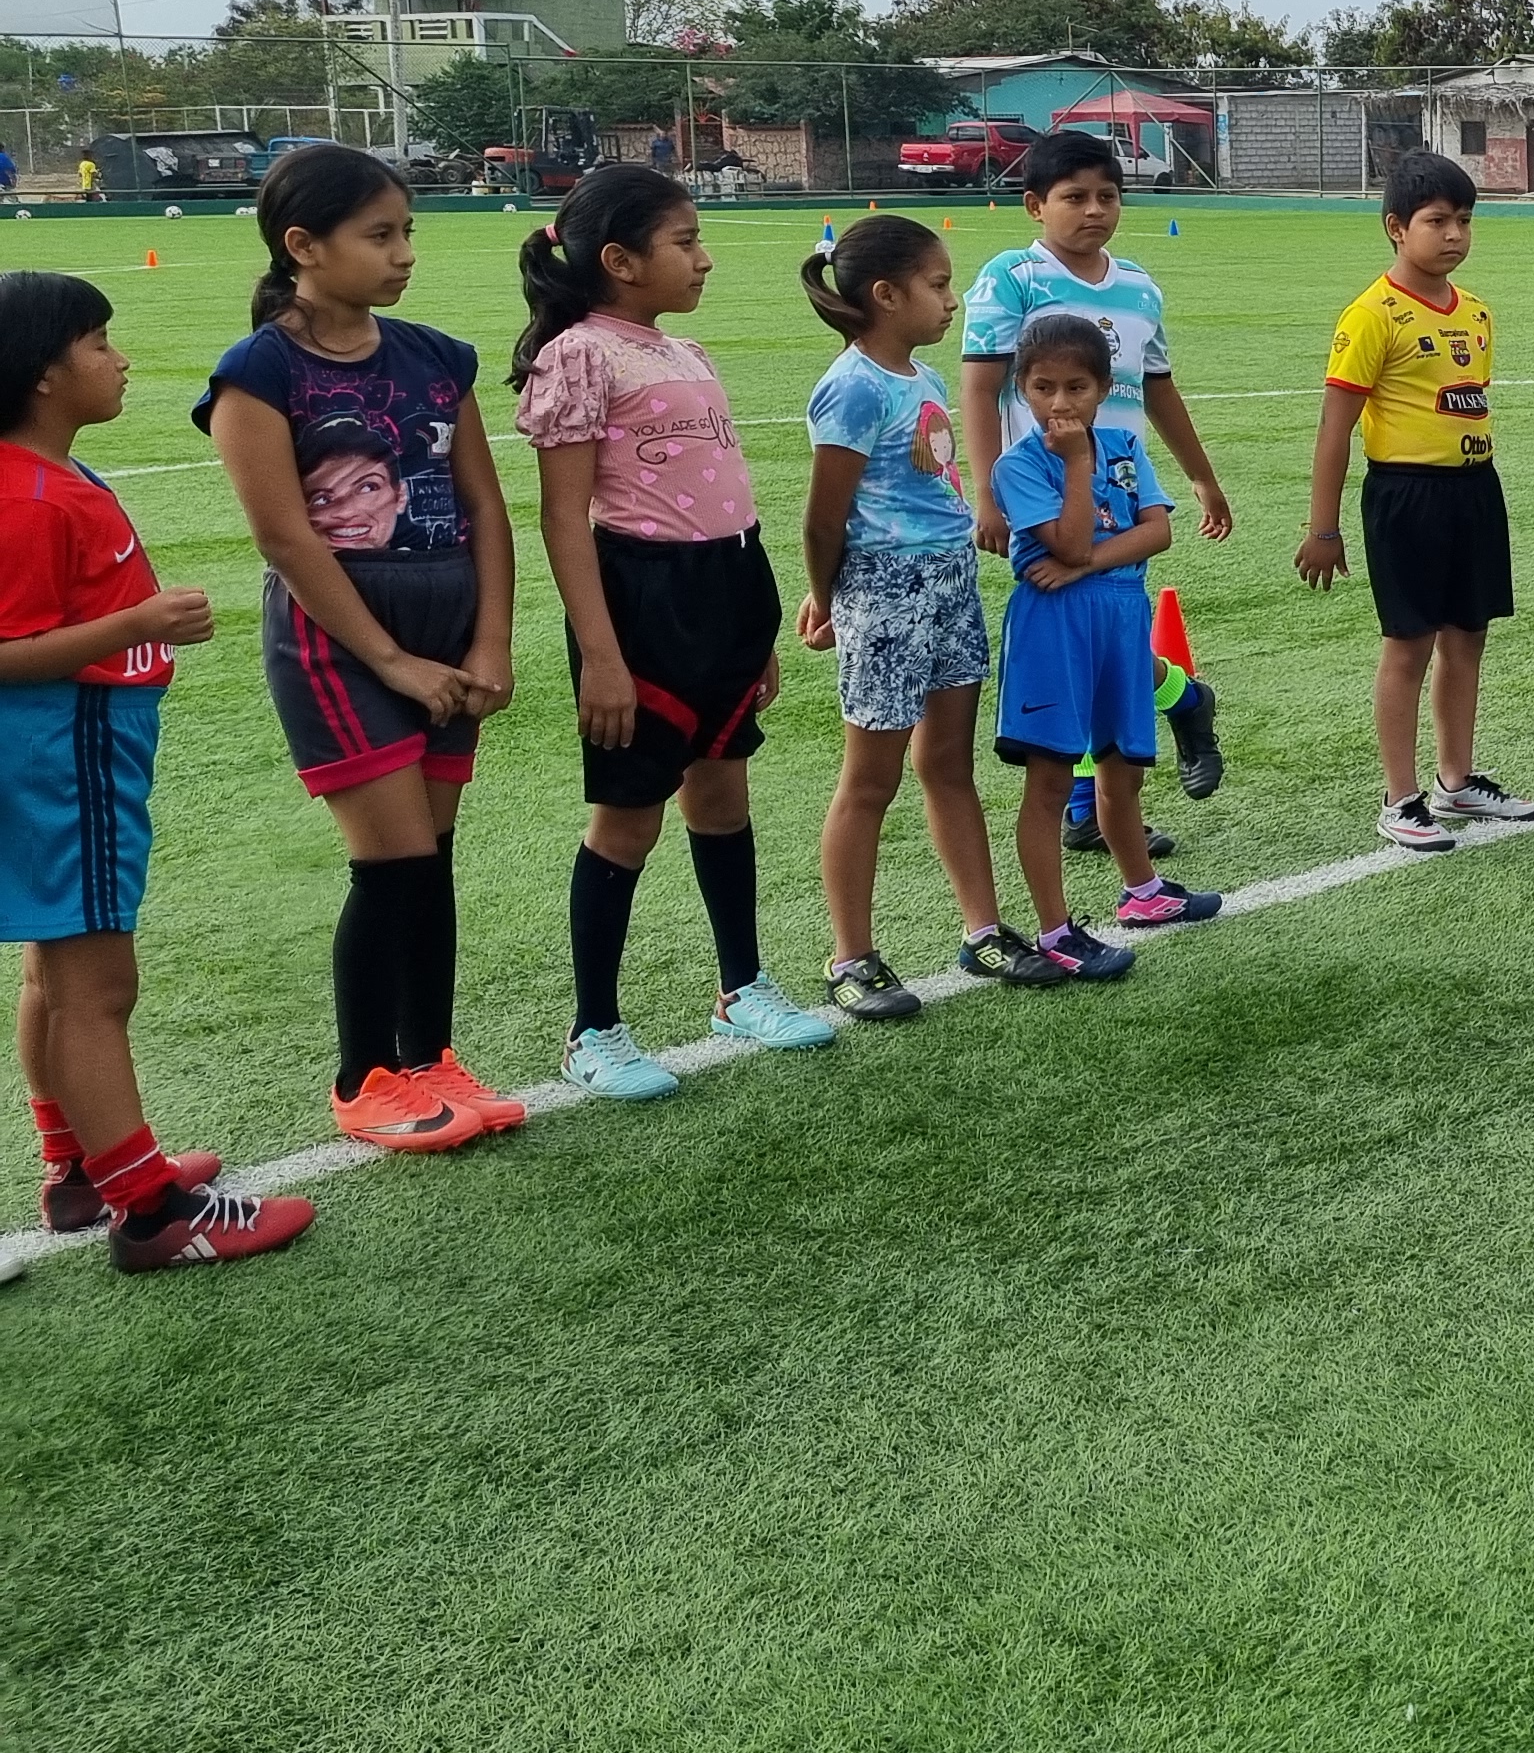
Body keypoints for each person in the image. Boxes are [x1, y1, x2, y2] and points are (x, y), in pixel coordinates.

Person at [196, 144, 521, 1152]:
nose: (404, 253)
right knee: (394, 864)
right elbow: (286, 537)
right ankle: (363, 1078)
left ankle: (431, 1059)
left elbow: (483, 505)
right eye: (380, 235)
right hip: (341, 641)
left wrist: (493, 640)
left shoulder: (437, 357)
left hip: (448, 629)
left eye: (406, 232)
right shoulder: (260, 371)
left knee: (432, 859)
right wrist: (390, 660)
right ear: (303, 246)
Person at [3, 274, 311, 1270]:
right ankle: (151, 1211)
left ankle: (81, 1166)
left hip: (71, 745)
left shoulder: (41, 473)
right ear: (43, 373)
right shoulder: (29, 495)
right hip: (67, 749)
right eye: (98, 342)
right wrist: (137, 624)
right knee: (97, 983)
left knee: (56, 967)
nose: (120, 359)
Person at [514, 165, 836, 1095]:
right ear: (619, 260)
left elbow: (723, 494)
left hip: (730, 585)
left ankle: (742, 988)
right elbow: (563, 518)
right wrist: (601, 656)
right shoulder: (580, 354)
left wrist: (756, 630)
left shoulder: (685, 351)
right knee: (628, 820)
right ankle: (593, 1030)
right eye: (685, 241)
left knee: (723, 800)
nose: (705, 258)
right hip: (642, 602)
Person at [797, 213, 1051, 1012]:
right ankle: (851, 958)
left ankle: (983, 930)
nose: (951, 300)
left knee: (948, 764)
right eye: (938, 285)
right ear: (885, 294)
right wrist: (829, 598)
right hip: (884, 591)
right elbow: (823, 519)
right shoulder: (853, 386)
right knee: (869, 780)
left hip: (947, 582)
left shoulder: (922, 378)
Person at [957, 130, 1228, 829]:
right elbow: (980, 389)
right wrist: (985, 492)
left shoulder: (1138, 286)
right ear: (1034, 205)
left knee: (1104, 632)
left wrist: (1201, 477)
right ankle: (1175, 707)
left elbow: (1159, 388)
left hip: (1120, 493)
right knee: (1070, 635)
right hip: (1042, 497)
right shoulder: (1013, 277)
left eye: (1107, 196)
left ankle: (1092, 796)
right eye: (1074, 197)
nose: (1094, 210)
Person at [1296, 150, 1534, 853]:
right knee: (1409, 646)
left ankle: (1455, 780)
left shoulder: (1478, 313)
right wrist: (1323, 527)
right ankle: (1399, 796)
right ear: (1396, 228)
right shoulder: (1372, 315)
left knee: (1468, 635)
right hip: (1406, 496)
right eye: (1437, 220)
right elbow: (1335, 429)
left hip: (1476, 490)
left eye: (1464, 219)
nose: (1455, 234)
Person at [992, 318, 1219, 966]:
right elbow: (1064, 543)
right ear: (1022, 388)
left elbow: (1157, 532)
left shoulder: (1124, 446)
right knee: (1051, 781)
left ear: (1103, 388)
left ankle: (1142, 892)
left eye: (1076, 387)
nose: (1059, 403)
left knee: (1123, 768)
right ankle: (1055, 931)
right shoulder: (1019, 465)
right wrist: (1076, 466)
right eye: (1043, 388)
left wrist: (1085, 564)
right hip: (1053, 629)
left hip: (1121, 616)